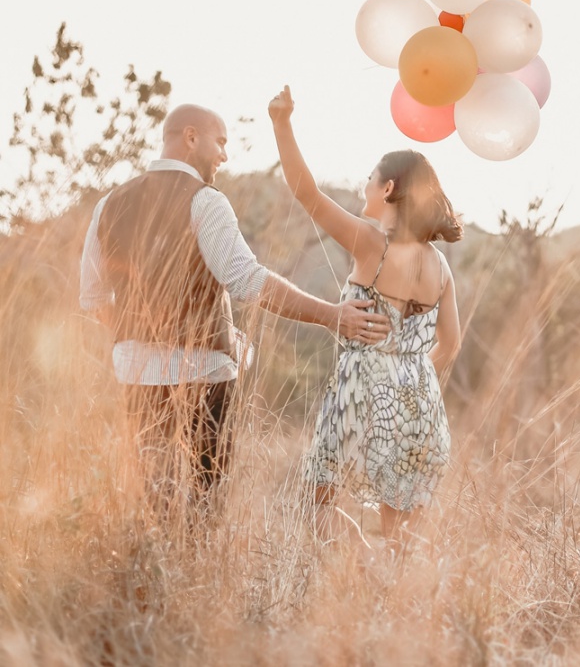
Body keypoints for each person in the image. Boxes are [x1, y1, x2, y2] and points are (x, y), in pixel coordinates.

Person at [79, 103, 389, 513]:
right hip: (204, 380)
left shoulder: (109, 204)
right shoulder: (205, 200)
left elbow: (93, 299)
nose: (224, 155)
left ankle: (155, 576)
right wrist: (333, 316)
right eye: (220, 142)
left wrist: (141, 340)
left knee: (152, 504)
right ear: (191, 138)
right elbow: (247, 280)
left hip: (134, 376)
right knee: (205, 506)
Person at [268, 85, 462, 552]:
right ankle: (392, 596)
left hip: (360, 396)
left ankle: (360, 575)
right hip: (420, 404)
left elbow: (305, 193)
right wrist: (407, 381)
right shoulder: (440, 266)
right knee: (402, 523)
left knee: (319, 502)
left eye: (371, 180)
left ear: (389, 188)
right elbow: (450, 345)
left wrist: (281, 123)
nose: (365, 187)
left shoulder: (372, 244)